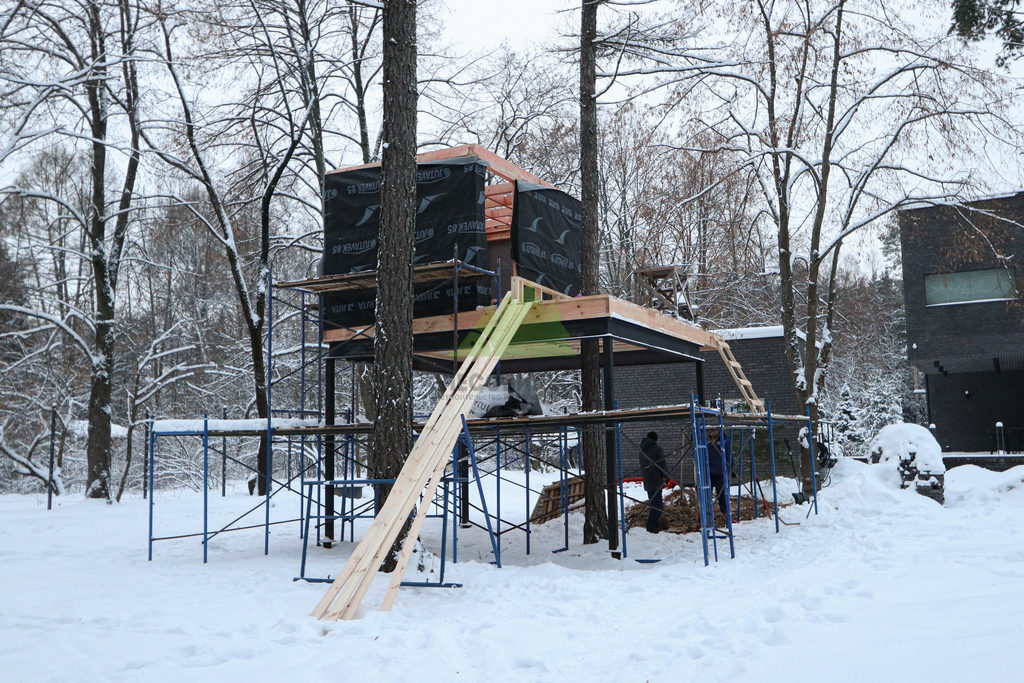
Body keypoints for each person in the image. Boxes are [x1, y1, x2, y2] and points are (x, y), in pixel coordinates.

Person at [639, 431, 669, 533]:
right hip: (656, 480)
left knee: (653, 503)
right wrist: (666, 476)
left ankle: (654, 524)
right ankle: (651, 525)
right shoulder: (657, 449)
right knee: (658, 506)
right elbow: (662, 464)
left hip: (647, 480)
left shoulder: (642, 449)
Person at [706, 427, 732, 517]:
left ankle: (725, 512)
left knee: (722, 493)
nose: (711, 433)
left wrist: (730, 468)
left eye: (713, 430)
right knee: (707, 493)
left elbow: (729, 455)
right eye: (710, 431)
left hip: (720, 471)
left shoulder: (724, 441)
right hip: (709, 471)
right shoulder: (708, 441)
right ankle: (707, 512)